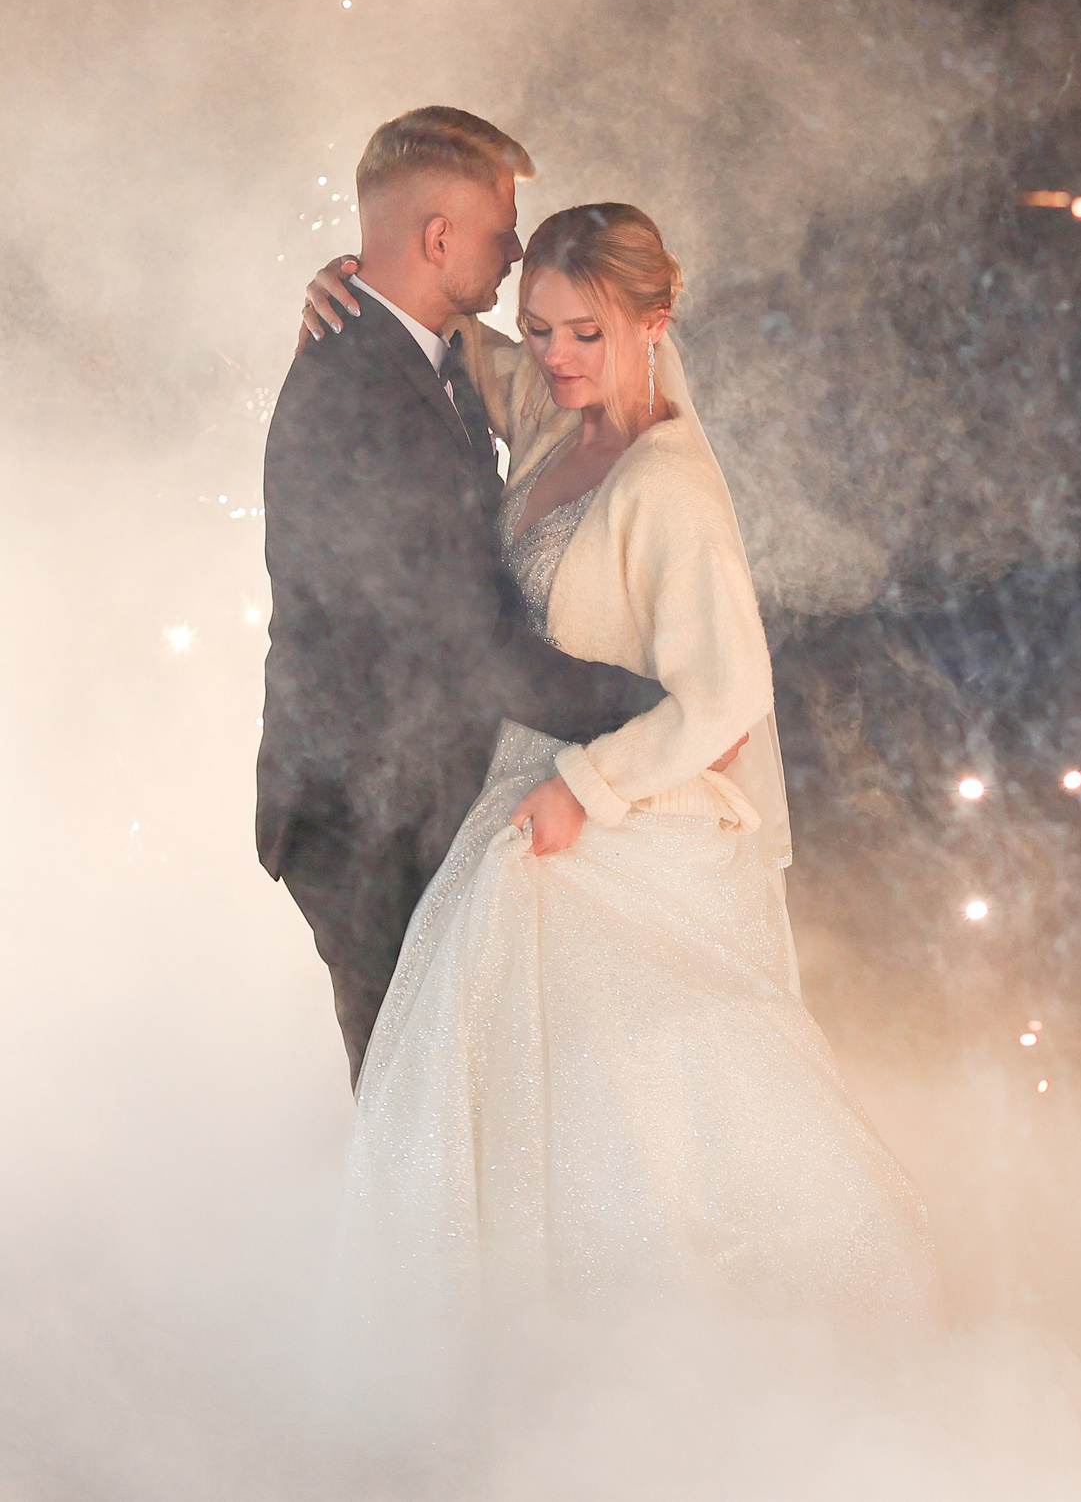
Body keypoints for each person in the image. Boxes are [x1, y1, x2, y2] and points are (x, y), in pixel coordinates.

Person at [301, 203, 931, 1325]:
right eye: (540, 328)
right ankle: (492, 1357)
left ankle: (626, 1352)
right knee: (493, 1079)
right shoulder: (554, 410)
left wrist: (583, 790)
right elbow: (444, 340)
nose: (555, 355)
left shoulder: (666, 487)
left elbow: (728, 702)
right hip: (524, 777)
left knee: (617, 1111)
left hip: (620, 803)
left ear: (655, 321)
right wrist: (344, 292)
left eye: (586, 333)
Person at [260, 107, 667, 1085]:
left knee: (471, 1094)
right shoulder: (365, 398)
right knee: (420, 1114)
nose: (518, 244)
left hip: (421, 790)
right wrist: (656, 712)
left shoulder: (407, 352)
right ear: (439, 238)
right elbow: (470, 647)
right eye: (500, 223)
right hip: (367, 820)